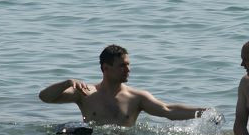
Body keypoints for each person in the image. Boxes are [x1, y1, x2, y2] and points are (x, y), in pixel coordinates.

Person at [38, 45, 209, 126]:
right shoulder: (85, 93)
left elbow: (168, 111)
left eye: (128, 64)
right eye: (122, 66)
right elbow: (45, 97)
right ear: (106, 68)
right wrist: (67, 83)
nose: (128, 69)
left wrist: (205, 113)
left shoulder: (136, 98)